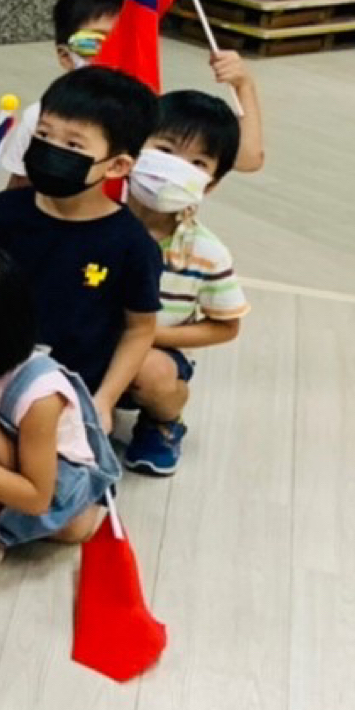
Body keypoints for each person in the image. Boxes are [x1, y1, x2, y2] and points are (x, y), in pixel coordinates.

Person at [0, 67, 161, 431]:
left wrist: (104, 401)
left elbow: (139, 329)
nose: (51, 149)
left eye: (74, 146)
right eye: (43, 135)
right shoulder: (2, 212)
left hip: (69, 393)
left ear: (118, 165)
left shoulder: (131, 244)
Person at [0, 247, 124, 582]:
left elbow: (39, 498)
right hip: (4, 465)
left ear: (5, 331)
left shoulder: (40, 393)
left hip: (47, 492)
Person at [3, 0, 266, 179]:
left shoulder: (157, 116)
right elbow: (19, 186)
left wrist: (243, 85)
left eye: (126, 39)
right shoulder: (42, 118)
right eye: (94, 41)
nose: (113, 51)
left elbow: (246, 159)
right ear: (65, 56)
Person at [120, 89, 247, 476]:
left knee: (153, 374)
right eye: (165, 149)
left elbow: (226, 326)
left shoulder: (206, 252)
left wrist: (149, 335)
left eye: (198, 163)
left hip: (155, 352)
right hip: (85, 340)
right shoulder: (93, 220)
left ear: (209, 185)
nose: (176, 167)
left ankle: (163, 420)